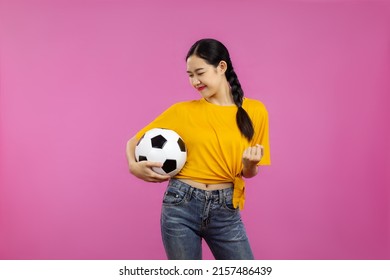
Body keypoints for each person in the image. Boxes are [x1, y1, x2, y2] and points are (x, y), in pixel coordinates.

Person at [126, 38, 271, 260]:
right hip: (180, 206)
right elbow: (133, 141)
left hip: (226, 209)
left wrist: (249, 164)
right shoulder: (182, 111)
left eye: (200, 72)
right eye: (190, 75)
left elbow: (249, 173)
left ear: (221, 67)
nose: (195, 81)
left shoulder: (255, 111)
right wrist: (133, 167)